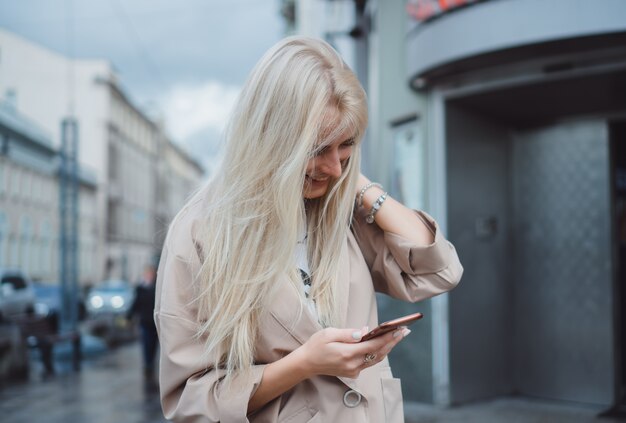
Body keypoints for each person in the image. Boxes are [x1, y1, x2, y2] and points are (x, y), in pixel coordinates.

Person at [155, 36, 463, 422]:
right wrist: (304, 363)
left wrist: (361, 187)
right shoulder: (201, 232)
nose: (334, 167)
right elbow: (190, 402)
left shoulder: (339, 206)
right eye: (317, 147)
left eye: (347, 145)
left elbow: (439, 272)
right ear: (269, 138)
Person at [128, 264, 158, 382]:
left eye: (150, 274)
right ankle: (148, 363)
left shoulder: (156, 287)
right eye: (146, 274)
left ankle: (151, 362)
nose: (148, 276)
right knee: (146, 343)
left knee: (153, 344)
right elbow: (136, 303)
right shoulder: (140, 288)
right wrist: (129, 316)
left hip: (154, 322)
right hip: (145, 321)